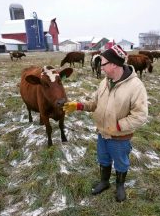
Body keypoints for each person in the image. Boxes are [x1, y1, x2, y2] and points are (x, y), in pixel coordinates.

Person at [63, 45, 148, 202]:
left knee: (121, 162)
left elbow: (140, 115)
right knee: (103, 159)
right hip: (102, 133)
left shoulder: (136, 86)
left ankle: (120, 186)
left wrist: (117, 126)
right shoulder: (105, 82)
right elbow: (95, 103)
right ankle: (104, 182)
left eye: (102, 63)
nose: (100, 67)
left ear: (114, 64)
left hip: (119, 137)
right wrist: (79, 105)